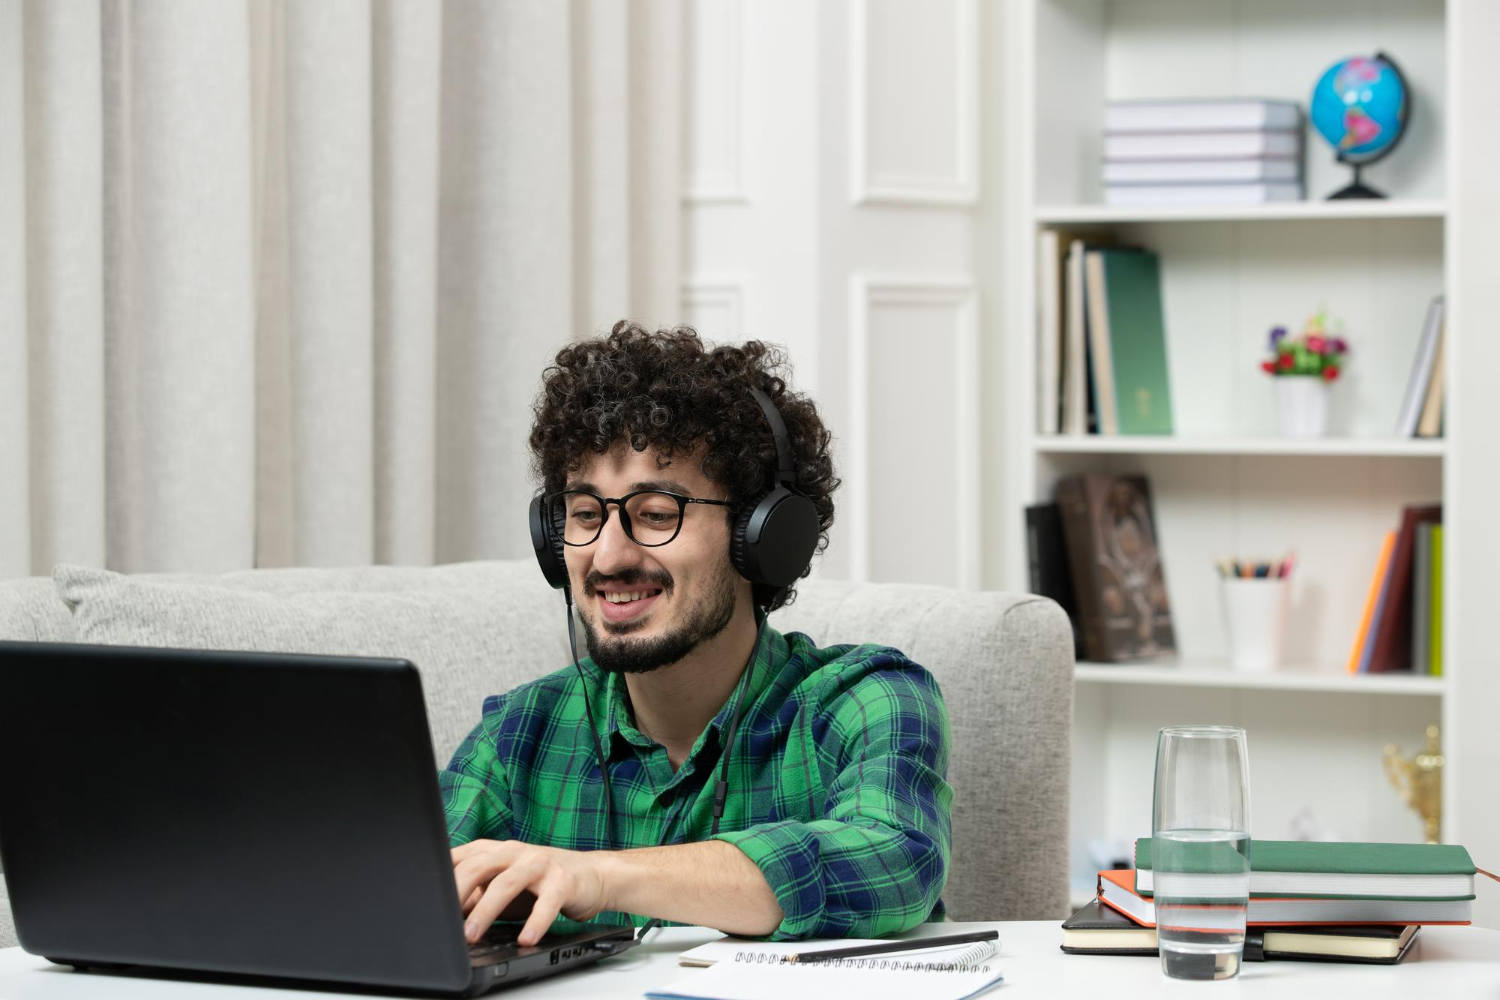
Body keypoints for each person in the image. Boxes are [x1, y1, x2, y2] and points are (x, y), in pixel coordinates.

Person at [439, 321, 952, 946]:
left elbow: (897, 861)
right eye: (583, 514)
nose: (607, 558)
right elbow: (392, 893)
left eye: (656, 514)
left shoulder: (863, 701)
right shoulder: (521, 733)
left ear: (761, 537)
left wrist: (597, 877)